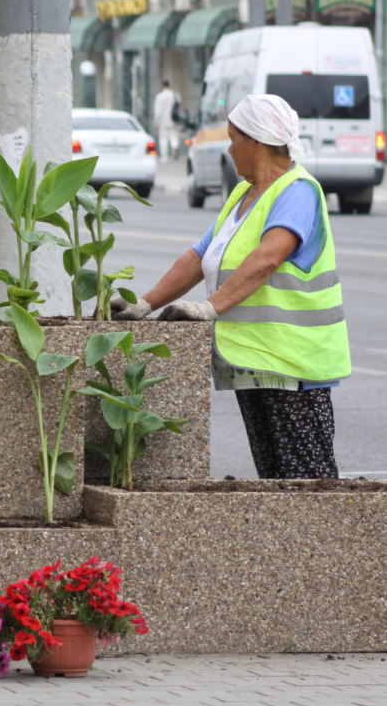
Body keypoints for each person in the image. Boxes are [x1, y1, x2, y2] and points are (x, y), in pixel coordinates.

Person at [112, 94, 350, 480]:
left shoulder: (298, 191)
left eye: (233, 137)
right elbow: (198, 257)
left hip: (293, 368)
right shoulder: (243, 195)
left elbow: (268, 258)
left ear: (256, 142)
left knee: (309, 483)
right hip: (254, 363)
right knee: (274, 479)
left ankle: (329, 543)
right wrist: (144, 303)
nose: (229, 147)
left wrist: (209, 307)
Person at [152, 80, 182, 160]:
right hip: (173, 119)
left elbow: (157, 111)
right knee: (173, 135)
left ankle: (164, 156)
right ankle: (175, 147)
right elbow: (179, 106)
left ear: (162, 86)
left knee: (163, 138)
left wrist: (156, 122)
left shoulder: (159, 97)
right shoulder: (175, 95)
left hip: (163, 120)